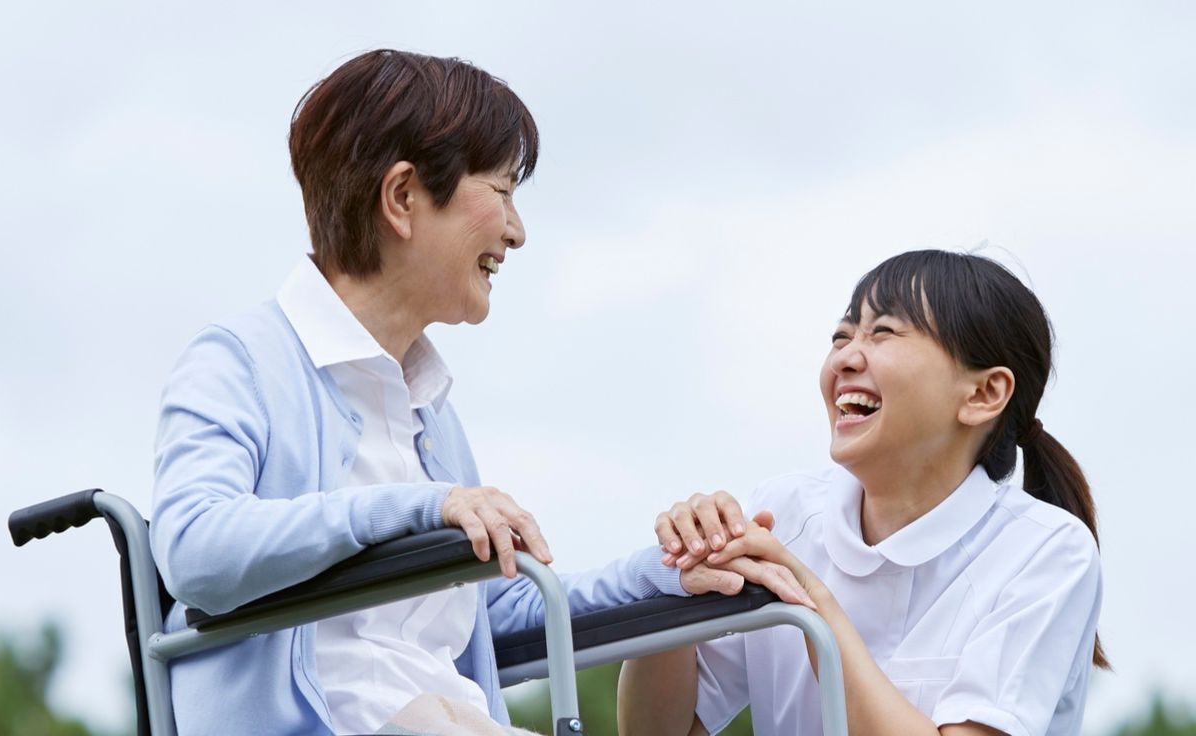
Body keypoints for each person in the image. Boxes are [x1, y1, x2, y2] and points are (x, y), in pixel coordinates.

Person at [150, 50, 766, 736]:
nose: (517, 231)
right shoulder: (241, 362)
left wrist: (664, 573)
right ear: (404, 198)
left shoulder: (430, 416)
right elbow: (194, 548)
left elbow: (487, 626)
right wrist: (419, 510)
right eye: (501, 191)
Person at [619, 250, 1105, 736]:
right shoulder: (782, 513)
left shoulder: (1049, 552)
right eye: (842, 335)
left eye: (884, 333)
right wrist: (678, 579)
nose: (846, 357)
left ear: (983, 394)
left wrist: (811, 600)